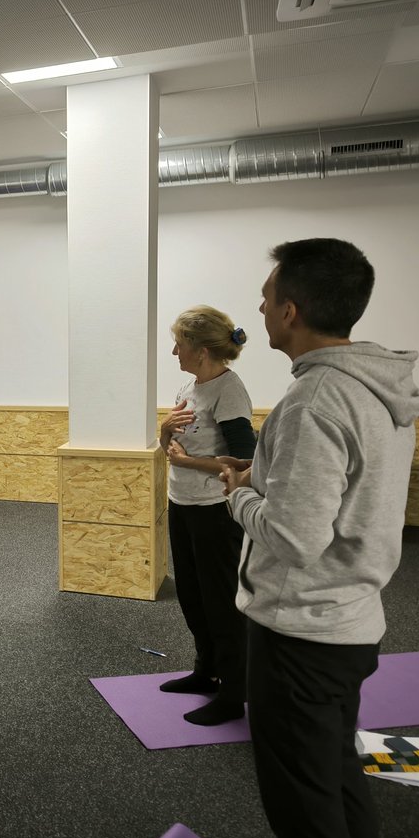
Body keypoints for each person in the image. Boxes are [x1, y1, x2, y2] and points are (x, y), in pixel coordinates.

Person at [220, 239, 419, 838]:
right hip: (348, 623)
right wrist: (265, 479)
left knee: (304, 815)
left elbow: (295, 538)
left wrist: (238, 494)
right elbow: (335, 497)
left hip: (300, 635)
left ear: (291, 311)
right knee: (334, 778)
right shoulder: (373, 387)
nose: (260, 309)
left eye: (266, 298)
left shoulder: (315, 401)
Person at [158, 306, 255, 726]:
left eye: (179, 343)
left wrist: (188, 462)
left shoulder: (228, 391)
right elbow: (170, 446)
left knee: (221, 603)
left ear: (200, 350)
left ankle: (233, 693)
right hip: (182, 504)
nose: (174, 351)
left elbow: (245, 463)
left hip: (216, 510)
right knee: (193, 596)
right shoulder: (190, 385)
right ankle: (206, 671)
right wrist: (165, 430)